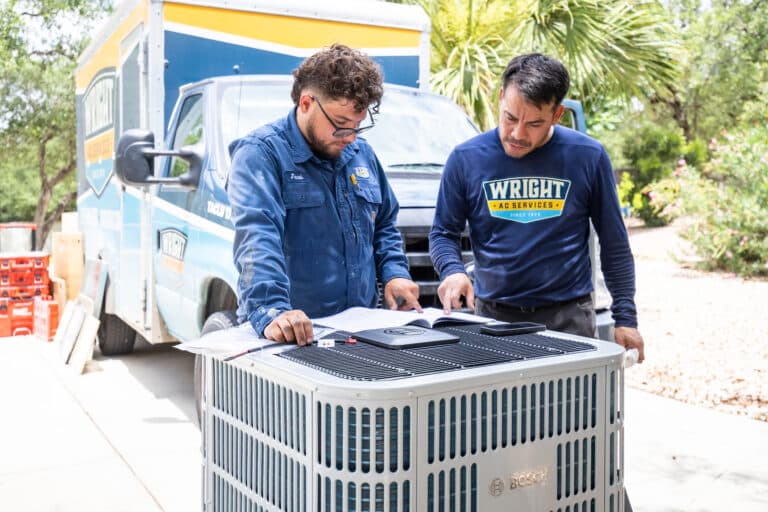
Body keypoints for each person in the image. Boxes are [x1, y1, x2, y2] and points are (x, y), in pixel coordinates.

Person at [429, 53, 645, 363]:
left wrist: (626, 318)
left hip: (569, 319)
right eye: (510, 117)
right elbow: (443, 233)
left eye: (534, 123)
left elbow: (614, 244)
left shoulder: (588, 156)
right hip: (493, 319)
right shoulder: (465, 159)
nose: (518, 134)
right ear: (501, 98)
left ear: (557, 115)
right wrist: (452, 271)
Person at [228, 43, 421, 347]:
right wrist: (273, 310)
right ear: (306, 103)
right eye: (341, 125)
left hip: (360, 333)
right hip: (290, 335)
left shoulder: (361, 154)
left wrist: (394, 273)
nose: (351, 137)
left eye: (358, 126)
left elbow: (384, 223)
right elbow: (257, 237)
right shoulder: (260, 155)